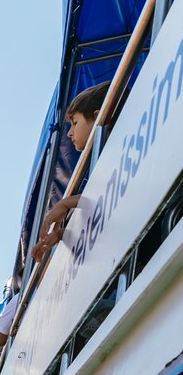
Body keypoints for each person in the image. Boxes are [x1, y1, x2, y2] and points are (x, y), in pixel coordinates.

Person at [32, 82, 110, 264]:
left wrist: (67, 202)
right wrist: (61, 234)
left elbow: (106, 197)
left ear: (98, 117)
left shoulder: (114, 149)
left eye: (75, 123)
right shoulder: (100, 159)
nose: (69, 133)